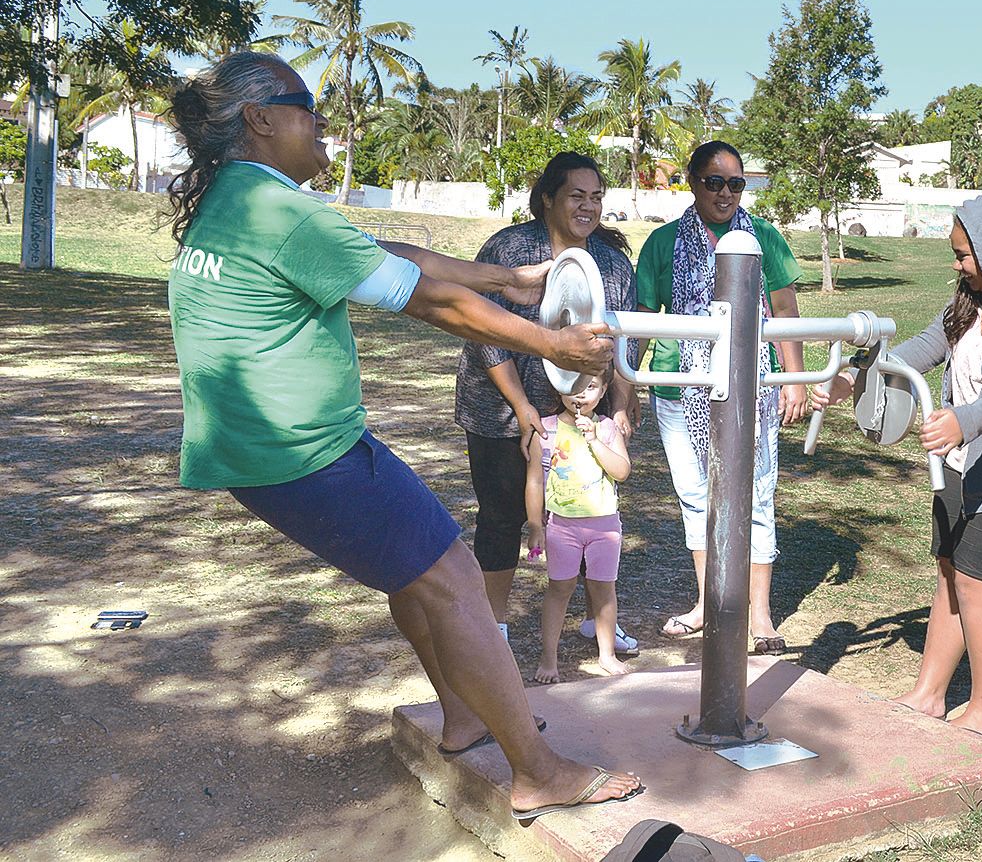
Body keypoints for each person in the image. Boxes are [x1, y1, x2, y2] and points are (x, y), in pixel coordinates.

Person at [165, 52, 641, 819]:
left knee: (417, 578)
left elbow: (386, 259)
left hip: (260, 451)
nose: (320, 119)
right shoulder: (281, 210)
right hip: (304, 451)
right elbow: (422, 300)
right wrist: (549, 344)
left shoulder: (240, 199)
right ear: (260, 119)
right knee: (453, 581)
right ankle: (537, 771)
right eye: (304, 104)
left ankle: (462, 718)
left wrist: (513, 281)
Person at [812, 190, 982, 743]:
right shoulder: (967, 302)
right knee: (950, 575)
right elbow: (916, 350)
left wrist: (965, 420)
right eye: (956, 255)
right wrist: (850, 382)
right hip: (960, 466)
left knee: (979, 583)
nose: (958, 265)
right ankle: (929, 694)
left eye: (964, 255)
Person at [453, 152, 640, 652]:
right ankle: (493, 627)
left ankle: (597, 621)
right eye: (576, 196)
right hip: (498, 407)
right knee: (503, 513)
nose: (588, 206)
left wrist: (620, 406)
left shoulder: (614, 264)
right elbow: (482, 332)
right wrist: (520, 406)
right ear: (547, 200)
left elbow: (626, 341)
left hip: (580, 412)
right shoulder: (510, 249)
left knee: (588, 513)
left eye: (597, 196)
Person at [636, 140, 811, 654]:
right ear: (691, 182)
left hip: (753, 389)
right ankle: (709, 602)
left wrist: (794, 379)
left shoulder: (766, 239)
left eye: (736, 183)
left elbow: (784, 311)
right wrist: (625, 386)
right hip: (678, 387)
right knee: (696, 495)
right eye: (714, 181)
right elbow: (645, 321)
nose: (726, 193)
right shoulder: (663, 243)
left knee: (756, 495)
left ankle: (759, 615)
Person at [526, 368, 632, 684]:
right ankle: (549, 659)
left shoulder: (608, 428)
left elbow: (622, 471)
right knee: (560, 588)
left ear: (603, 391)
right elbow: (534, 480)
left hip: (604, 527)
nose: (580, 395)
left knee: (603, 589)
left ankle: (606, 654)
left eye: (591, 387)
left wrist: (596, 441)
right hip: (562, 527)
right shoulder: (545, 431)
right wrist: (535, 525)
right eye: (573, 387)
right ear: (558, 387)